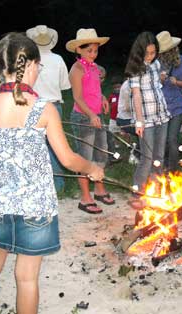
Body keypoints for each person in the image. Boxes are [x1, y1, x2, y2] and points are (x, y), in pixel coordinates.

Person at [0, 32, 104, 313]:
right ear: (29, 66)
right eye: (38, 66)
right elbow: (67, 158)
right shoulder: (44, 109)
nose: (39, 70)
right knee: (27, 277)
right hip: (35, 207)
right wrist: (92, 168)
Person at [66, 28, 114, 214]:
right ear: (79, 50)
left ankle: (99, 189)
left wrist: (102, 98)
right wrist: (92, 115)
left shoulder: (93, 67)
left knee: (101, 154)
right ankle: (85, 198)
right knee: (85, 159)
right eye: (89, 51)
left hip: (96, 115)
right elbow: (78, 97)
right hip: (83, 117)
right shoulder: (77, 69)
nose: (93, 54)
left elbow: (93, 89)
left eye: (95, 50)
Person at [125, 31, 170, 201]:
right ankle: (137, 192)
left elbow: (156, 87)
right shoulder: (134, 68)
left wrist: (162, 78)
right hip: (145, 119)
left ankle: (155, 191)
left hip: (161, 115)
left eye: (153, 52)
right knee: (147, 157)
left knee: (159, 157)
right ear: (139, 51)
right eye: (147, 53)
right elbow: (136, 94)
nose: (150, 56)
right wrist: (139, 121)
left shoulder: (156, 64)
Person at [27, 25, 72, 193]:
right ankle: (57, 185)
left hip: (33, 105)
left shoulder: (29, 60)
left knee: (35, 146)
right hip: (53, 105)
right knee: (55, 145)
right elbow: (64, 85)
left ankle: (39, 184)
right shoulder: (58, 59)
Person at [156, 31, 182, 172]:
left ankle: (173, 171)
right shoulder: (155, 62)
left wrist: (177, 82)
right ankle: (162, 169)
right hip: (161, 107)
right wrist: (158, 79)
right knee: (162, 140)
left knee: (172, 139)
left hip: (177, 106)